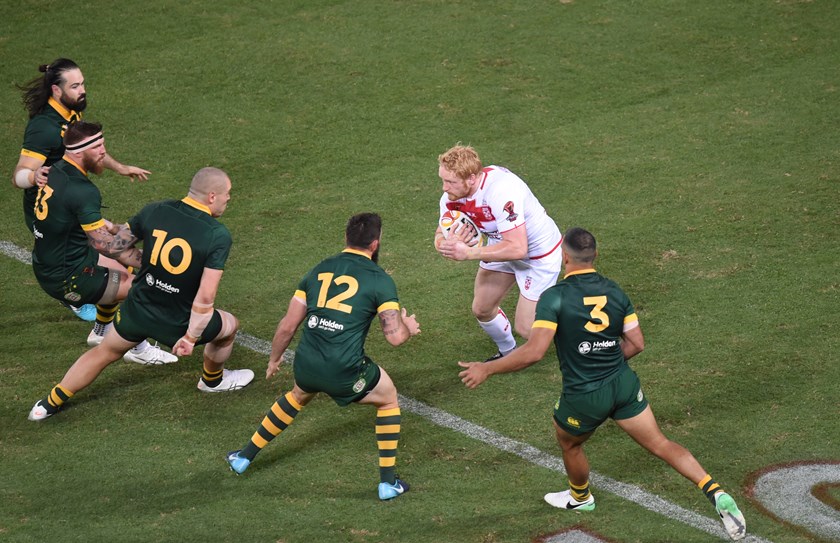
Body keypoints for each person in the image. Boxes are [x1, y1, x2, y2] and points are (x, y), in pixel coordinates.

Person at [457, 227, 747, 541]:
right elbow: (636, 343)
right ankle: (714, 491)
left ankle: (580, 498)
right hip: (622, 384)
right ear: (595, 256)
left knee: (570, 443)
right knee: (661, 444)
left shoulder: (554, 296)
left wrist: (488, 369)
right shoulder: (615, 291)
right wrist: (605, 357)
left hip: (584, 395)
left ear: (564, 256)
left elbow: (534, 352)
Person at [28, 166, 253, 421]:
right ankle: (212, 381)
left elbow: (114, 248)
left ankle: (47, 404)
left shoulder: (155, 210)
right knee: (230, 327)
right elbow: (205, 297)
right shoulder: (217, 234)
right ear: (212, 196)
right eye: (227, 193)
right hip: (177, 319)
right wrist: (190, 338)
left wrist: (146, 262)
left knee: (103, 353)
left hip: (138, 309)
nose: (229, 198)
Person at [226, 213, 421, 501]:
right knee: (388, 398)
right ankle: (387, 484)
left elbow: (287, 325)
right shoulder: (380, 280)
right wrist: (409, 327)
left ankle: (243, 457)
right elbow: (395, 337)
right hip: (343, 370)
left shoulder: (319, 269)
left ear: (346, 238)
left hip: (305, 363)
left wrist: (274, 359)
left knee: (298, 395)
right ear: (376, 244)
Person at [12, 58, 150, 321]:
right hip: (52, 210)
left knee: (104, 251)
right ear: (56, 90)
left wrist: (119, 167)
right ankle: (76, 294)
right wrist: (33, 175)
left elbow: (86, 149)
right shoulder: (44, 128)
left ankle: (100, 320)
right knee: (95, 253)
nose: (82, 90)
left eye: (83, 83)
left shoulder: (70, 111)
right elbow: (17, 176)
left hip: (67, 202)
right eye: (75, 86)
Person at [30, 120, 176, 365]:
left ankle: (101, 331)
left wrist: (111, 226)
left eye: (103, 144)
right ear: (78, 152)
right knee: (143, 287)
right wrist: (156, 262)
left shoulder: (55, 169)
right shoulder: (82, 191)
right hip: (67, 277)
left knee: (121, 272)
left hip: (54, 260)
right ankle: (138, 347)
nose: (103, 153)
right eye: (97, 148)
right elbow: (107, 247)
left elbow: (77, 220)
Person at [434, 144, 562, 361]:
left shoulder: (501, 191)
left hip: (537, 255)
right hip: (500, 244)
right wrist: (444, 244)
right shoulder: (452, 197)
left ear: (471, 178)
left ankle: (587, 327)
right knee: (482, 308)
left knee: (527, 329)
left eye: (450, 182)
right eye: (443, 180)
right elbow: (441, 231)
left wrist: (468, 254)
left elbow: (518, 248)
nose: (444, 188)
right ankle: (508, 352)